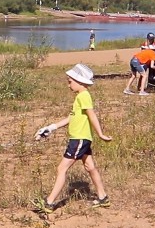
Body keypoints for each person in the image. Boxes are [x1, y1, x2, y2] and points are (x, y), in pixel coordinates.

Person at [33, 64, 112, 213]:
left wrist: (100, 134)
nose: (68, 84)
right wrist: (50, 128)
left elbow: (91, 114)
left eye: (70, 81)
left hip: (79, 139)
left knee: (61, 168)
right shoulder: (79, 97)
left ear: (80, 81)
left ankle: (49, 203)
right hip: (81, 139)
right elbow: (71, 117)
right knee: (90, 167)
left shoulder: (84, 96)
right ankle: (103, 197)